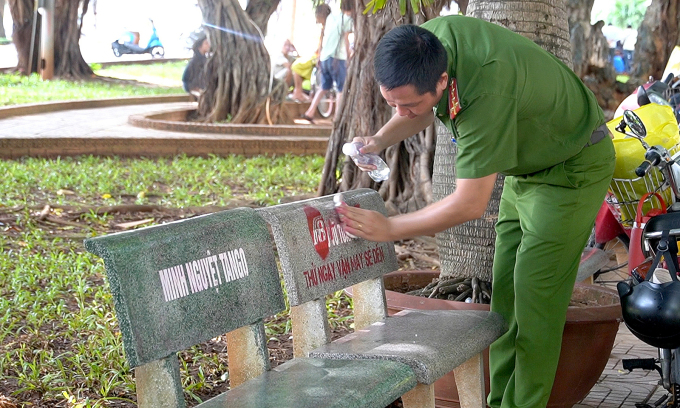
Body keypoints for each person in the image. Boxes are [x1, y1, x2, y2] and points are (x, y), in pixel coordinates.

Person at [335, 16, 615, 408]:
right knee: (505, 299)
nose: (401, 111)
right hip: (527, 168)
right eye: (391, 102)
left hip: (572, 168)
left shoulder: (486, 90)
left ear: (442, 80)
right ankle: (500, 401)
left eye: (410, 104)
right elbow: (410, 107)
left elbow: (469, 203)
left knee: (536, 304)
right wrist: (379, 140)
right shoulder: (425, 45)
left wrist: (390, 228)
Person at [300, 0, 353, 123]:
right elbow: (346, 40)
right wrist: (349, 57)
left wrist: (319, 56)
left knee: (323, 87)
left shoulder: (331, 18)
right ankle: (337, 117)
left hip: (325, 57)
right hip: (338, 58)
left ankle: (310, 112)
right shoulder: (347, 19)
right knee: (341, 89)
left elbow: (324, 36)